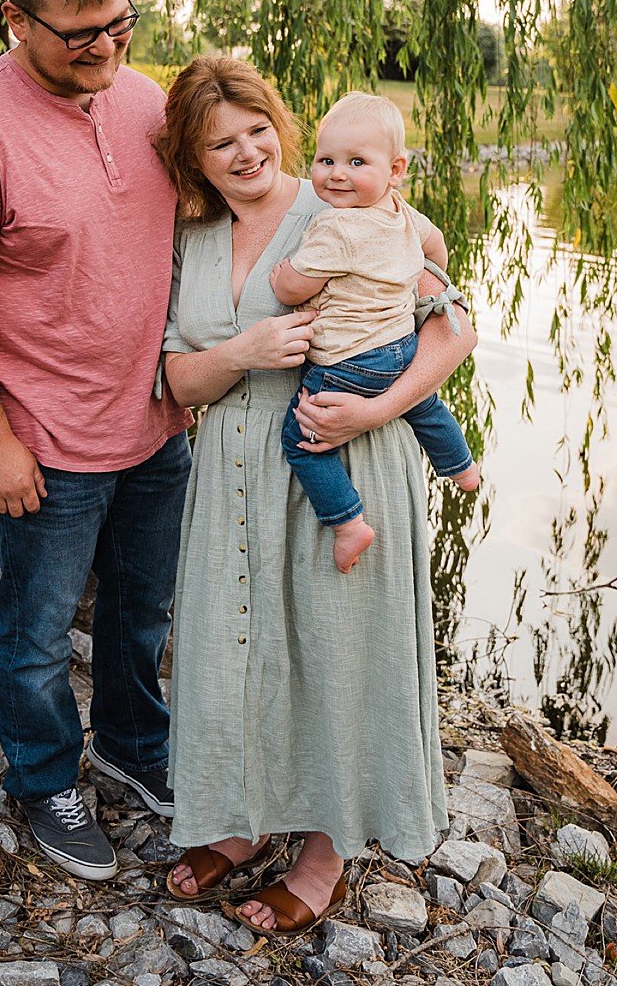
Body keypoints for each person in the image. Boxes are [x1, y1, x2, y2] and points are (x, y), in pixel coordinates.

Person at [153, 56, 477, 936]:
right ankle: (243, 815)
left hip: (343, 452)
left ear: (281, 129)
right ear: (194, 156)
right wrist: (242, 353)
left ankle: (325, 854)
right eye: (221, 142)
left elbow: (454, 328)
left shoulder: (343, 203)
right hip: (233, 472)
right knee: (235, 645)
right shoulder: (194, 239)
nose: (247, 152)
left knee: (339, 649)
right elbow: (177, 381)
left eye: (258, 129)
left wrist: (374, 407)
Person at [0, 0, 192, 882]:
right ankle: (42, 781)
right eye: (81, 35)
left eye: (122, 24)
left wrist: (388, 241)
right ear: (14, 19)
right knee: (33, 633)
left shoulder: (146, 101)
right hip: (44, 440)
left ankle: (129, 747)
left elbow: (240, 197)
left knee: (142, 614)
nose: (107, 48)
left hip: (155, 424)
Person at [271, 91, 479, 573]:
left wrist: (282, 276)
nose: (337, 173)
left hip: (347, 361)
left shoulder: (335, 227)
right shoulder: (401, 212)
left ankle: (347, 523)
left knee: (299, 439)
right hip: (401, 347)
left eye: (356, 162)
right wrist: (411, 273)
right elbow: (437, 248)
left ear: (396, 169)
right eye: (326, 160)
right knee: (424, 403)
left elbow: (295, 286)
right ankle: (461, 465)